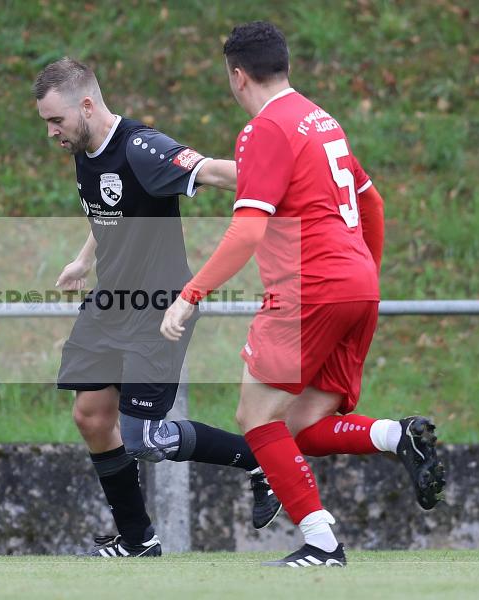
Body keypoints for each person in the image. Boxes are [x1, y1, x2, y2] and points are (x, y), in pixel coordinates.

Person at [161, 22, 445, 567]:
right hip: (356, 285)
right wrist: (363, 275)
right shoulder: (322, 120)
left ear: (237, 76)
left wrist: (190, 294)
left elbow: (246, 231)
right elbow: (373, 204)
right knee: (298, 427)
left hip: (308, 289)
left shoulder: (264, 128)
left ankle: (322, 542)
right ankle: (396, 436)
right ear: (284, 65)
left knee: (256, 417)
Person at [33, 57, 282, 558]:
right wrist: (84, 259)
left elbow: (213, 171)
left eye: (56, 120)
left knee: (145, 438)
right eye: (46, 122)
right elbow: (112, 209)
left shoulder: (143, 148)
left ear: (87, 105)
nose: (51, 132)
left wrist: (292, 179)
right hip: (110, 303)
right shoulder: (84, 147)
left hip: (157, 308)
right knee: (91, 416)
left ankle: (262, 461)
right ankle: (138, 540)